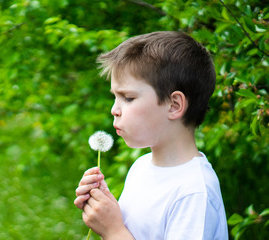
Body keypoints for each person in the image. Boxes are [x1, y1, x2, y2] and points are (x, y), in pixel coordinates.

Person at [74, 31, 228, 239]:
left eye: (127, 98)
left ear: (174, 105)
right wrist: (105, 212)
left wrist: (113, 230)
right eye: (115, 97)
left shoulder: (194, 192)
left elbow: (119, 234)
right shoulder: (141, 168)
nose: (114, 110)